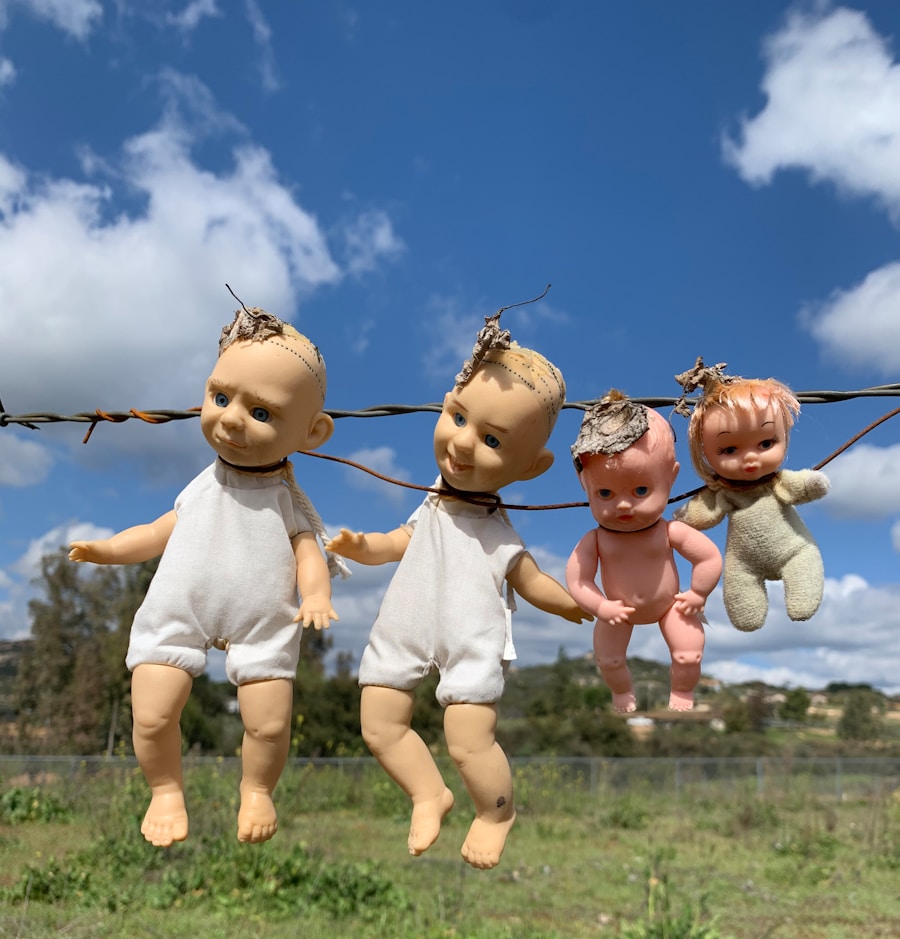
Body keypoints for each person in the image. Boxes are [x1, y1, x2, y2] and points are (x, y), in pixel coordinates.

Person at [70, 306, 344, 847]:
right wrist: (108, 550)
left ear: (312, 432)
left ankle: (257, 790)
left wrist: (315, 593)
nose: (232, 419)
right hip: (179, 609)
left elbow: (307, 547)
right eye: (220, 398)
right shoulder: (201, 488)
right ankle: (164, 790)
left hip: (264, 619)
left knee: (269, 723)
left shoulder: (285, 500)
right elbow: (157, 531)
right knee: (152, 714)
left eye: (261, 412)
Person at [326, 318, 589, 870]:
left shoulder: (497, 533)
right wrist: (360, 545)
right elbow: (394, 543)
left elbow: (531, 580)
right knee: (379, 724)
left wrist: (573, 604)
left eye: (493, 440)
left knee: (469, 742)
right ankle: (428, 794)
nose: (464, 442)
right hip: (404, 626)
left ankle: (495, 813)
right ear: (444, 407)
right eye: (459, 418)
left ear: (532, 467)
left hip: (472, 637)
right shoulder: (428, 508)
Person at [566, 392, 722, 713]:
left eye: (641, 490)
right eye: (605, 493)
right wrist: (601, 606)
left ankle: (683, 689)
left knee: (688, 654)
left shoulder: (668, 531)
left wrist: (698, 592)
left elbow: (707, 557)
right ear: (585, 485)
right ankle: (622, 692)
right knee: (609, 660)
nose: (624, 504)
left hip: (671, 606)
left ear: (671, 478)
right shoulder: (597, 539)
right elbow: (578, 580)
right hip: (616, 610)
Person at [674, 359, 829, 632]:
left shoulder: (778, 482)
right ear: (704, 452)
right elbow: (704, 512)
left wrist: (813, 483)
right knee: (743, 601)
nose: (749, 458)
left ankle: (801, 596)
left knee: (804, 563)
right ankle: (749, 611)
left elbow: (805, 485)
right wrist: (684, 516)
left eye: (766, 443)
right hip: (743, 561)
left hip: (793, 549)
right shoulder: (725, 493)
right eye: (729, 450)